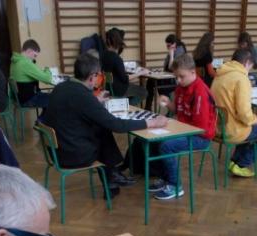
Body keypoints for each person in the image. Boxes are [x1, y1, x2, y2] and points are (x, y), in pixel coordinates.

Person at [43, 54, 167, 198]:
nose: (99, 78)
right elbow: (117, 125)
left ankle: (112, 177)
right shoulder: (83, 96)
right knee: (103, 128)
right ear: (92, 77)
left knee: (100, 128)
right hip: (72, 154)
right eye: (99, 75)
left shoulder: (62, 87)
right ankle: (112, 174)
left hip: (57, 149)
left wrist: (94, 101)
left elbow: (76, 107)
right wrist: (151, 122)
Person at [151, 53, 216, 200]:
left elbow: (199, 128)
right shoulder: (181, 87)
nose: (178, 80)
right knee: (154, 140)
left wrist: (174, 130)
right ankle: (165, 177)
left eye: (181, 76)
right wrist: (168, 102)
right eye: (176, 77)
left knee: (167, 146)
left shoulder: (200, 92)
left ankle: (175, 186)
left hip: (200, 137)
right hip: (184, 130)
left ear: (193, 72)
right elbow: (177, 110)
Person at [211, 49, 257, 177]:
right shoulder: (241, 78)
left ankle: (235, 161)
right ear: (246, 63)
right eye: (250, 66)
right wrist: (256, 120)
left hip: (217, 127)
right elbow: (244, 114)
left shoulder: (220, 75)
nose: (249, 70)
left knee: (249, 126)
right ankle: (241, 164)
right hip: (232, 130)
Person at [101, 28, 148, 106]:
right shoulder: (116, 58)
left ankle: (123, 104)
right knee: (143, 92)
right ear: (118, 43)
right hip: (119, 90)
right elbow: (125, 79)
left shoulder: (103, 55)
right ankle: (125, 105)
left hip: (107, 88)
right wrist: (140, 73)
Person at [144, 34, 186, 110]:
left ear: (174, 44)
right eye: (167, 46)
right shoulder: (172, 50)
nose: (167, 47)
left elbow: (172, 68)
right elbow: (166, 68)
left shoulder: (179, 52)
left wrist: (171, 55)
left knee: (158, 84)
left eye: (169, 46)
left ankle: (166, 103)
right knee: (150, 81)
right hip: (167, 77)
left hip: (174, 80)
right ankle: (148, 107)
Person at [10, 39, 53, 109]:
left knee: (51, 97)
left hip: (20, 98)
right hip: (28, 99)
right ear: (29, 51)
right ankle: (45, 116)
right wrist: (47, 69)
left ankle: (44, 116)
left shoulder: (16, 61)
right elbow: (48, 79)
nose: (34, 58)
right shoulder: (25, 63)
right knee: (57, 99)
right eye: (35, 55)